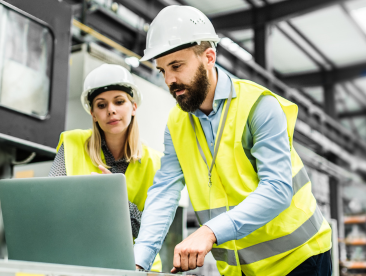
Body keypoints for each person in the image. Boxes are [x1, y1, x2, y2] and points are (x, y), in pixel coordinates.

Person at [133, 6, 332, 276]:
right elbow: (165, 191)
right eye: (162, 70)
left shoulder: (259, 106)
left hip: (300, 258)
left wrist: (210, 231)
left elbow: (277, 188)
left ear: (209, 57)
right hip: (241, 270)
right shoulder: (176, 123)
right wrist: (138, 260)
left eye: (177, 66)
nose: (169, 80)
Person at [48, 64, 162, 272]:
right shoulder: (72, 144)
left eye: (119, 102)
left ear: (133, 107)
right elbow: (52, 205)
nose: (111, 110)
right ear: (93, 113)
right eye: (101, 105)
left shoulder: (154, 162)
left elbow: (151, 229)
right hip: (80, 263)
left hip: (136, 267)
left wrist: (115, 199)